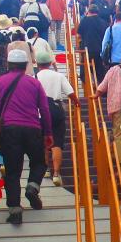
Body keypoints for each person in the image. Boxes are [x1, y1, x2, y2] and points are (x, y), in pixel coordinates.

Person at [0, 47, 53, 226]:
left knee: (12, 171)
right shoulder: (34, 83)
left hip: (9, 130)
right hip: (32, 129)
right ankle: (32, 186)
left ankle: (15, 210)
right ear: (26, 65)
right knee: (39, 162)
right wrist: (48, 132)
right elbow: (44, 109)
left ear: (8, 64)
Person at [34, 47, 75, 187]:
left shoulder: (34, 77)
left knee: (43, 140)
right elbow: (70, 93)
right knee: (57, 143)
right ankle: (56, 174)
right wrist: (76, 103)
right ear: (50, 63)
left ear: (37, 63)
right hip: (56, 109)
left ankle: (45, 169)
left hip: (39, 111)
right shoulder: (58, 76)